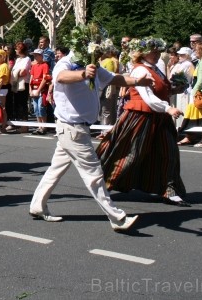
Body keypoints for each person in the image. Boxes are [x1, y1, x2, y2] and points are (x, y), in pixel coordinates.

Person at [29, 27, 143, 231]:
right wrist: (82, 73)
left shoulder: (94, 65)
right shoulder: (67, 63)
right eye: (97, 46)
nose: (100, 52)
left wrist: (138, 81)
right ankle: (117, 218)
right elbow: (62, 77)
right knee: (94, 174)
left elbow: (114, 78)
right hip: (73, 129)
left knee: (56, 169)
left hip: (75, 129)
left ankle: (37, 205)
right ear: (82, 45)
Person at [97, 38, 189, 207]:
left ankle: (169, 190)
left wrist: (176, 89)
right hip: (141, 117)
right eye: (152, 52)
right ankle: (104, 185)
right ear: (142, 53)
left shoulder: (156, 69)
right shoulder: (139, 71)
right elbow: (148, 97)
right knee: (131, 154)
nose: (155, 55)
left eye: (157, 52)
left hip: (160, 118)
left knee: (169, 154)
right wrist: (168, 108)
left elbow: (160, 91)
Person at [10, 42, 31, 133]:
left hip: (23, 83)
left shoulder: (27, 59)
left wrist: (16, 73)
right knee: (16, 103)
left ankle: (24, 125)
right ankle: (18, 124)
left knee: (22, 104)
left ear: (21, 49)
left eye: (16, 49)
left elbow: (23, 72)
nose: (15, 50)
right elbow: (14, 71)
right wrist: (16, 72)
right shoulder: (18, 60)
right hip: (16, 83)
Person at [29, 49, 51, 135]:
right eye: (34, 55)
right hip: (34, 88)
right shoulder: (34, 66)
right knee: (35, 108)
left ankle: (44, 126)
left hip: (41, 89)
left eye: (37, 55)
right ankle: (39, 126)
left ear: (41, 56)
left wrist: (38, 90)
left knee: (41, 107)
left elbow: (45, 78)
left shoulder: (45, 65)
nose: (35, 57)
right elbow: (31, 78)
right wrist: (30, 90)